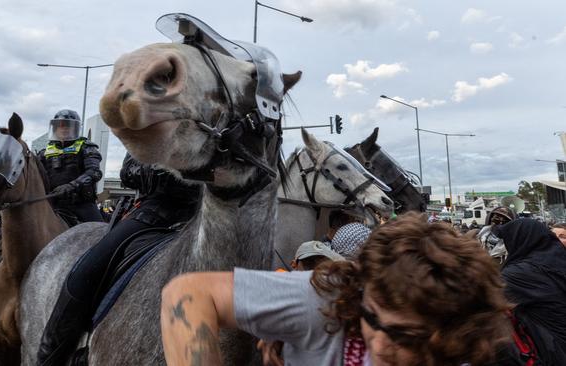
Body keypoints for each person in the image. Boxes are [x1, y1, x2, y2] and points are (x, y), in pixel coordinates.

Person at [161, 213, 513, 366]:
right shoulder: (329, 296)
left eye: (406, 334)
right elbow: (188, 293)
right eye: (371, 317)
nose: (380, 342)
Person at [36, 153, 202, 366]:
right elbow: (129, 171)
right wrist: (165, 172)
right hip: (157, 212)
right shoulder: (154, 122)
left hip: (216, 215)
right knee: (84, 272)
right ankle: (49, 358)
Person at [495, 219, 566, 364]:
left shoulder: (521, 273)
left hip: (551, 349)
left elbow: (488, 295)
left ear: (518, 240)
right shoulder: (555, 258)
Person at [38, 109, 103, 223]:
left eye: (68, 126)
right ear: (55, 129)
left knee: (102, 234)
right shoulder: (44, 152)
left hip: (81, 203)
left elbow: (94, 172)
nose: (64, 129)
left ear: (75, 128)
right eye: (60, 126)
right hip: (52, 203)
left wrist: (71, 186)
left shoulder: (86, 147)